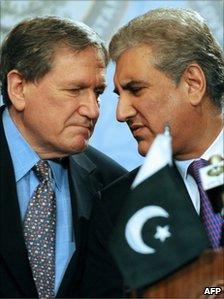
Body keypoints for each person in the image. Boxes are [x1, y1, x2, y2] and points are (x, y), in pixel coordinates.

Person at [81, 8, 224, 298]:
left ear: (193, 84)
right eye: (120, 96)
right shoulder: (117, 209)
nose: (121, 113)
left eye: (136, 90)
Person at [0, 16, 127, 298]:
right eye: (74, 90)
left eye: (97, 93)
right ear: (18, 88)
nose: (93, 110)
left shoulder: (112, 186)